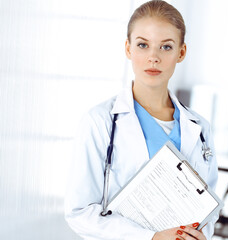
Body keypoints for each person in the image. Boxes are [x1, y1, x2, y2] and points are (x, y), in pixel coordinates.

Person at [64, 1, 218, 240]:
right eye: (143, 45)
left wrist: (200, 236)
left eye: (166, 47)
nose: (153, 57)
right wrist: (152, 238)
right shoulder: (100, 122)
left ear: (181, 52)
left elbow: (208, 207)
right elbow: (80, 213)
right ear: (128, 49)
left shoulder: (199, 128)